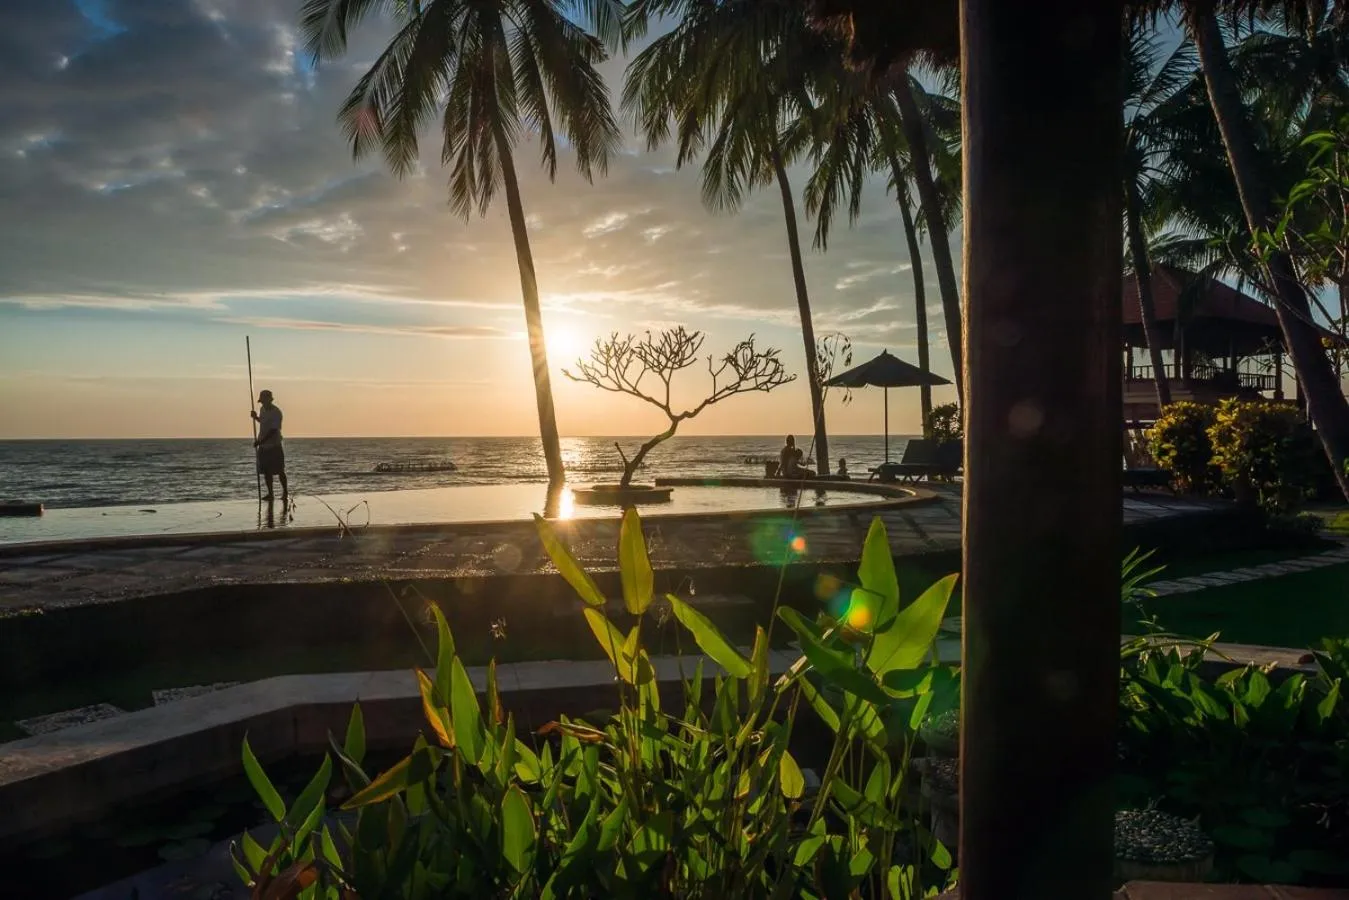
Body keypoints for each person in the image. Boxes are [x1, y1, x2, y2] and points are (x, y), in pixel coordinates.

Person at [250, 389, 287, 502]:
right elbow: (263, 422)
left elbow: (273, 430)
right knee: (266, 471)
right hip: (264, 447)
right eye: (261, 401)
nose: (262, 403)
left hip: (274, 445)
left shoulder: (276, 412)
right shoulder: (262, 409)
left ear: (269, 400)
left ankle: (285, 492)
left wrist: (260, 442)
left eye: (264, 400)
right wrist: (255, 417)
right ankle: (271, 494)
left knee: (280, 470)